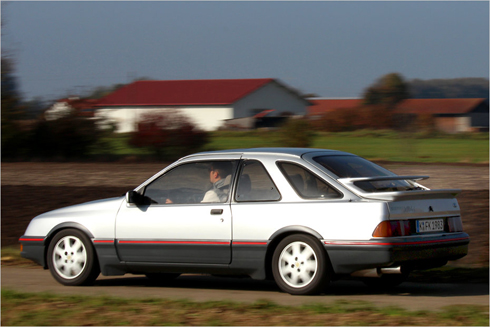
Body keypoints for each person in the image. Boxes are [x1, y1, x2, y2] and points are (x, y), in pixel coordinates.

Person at [165, 161, 232, 204]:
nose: (208, 173)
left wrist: (173, 205)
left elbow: (197, 214)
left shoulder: (213, 194)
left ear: (215, 174)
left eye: (210, 170)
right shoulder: (231, 187)